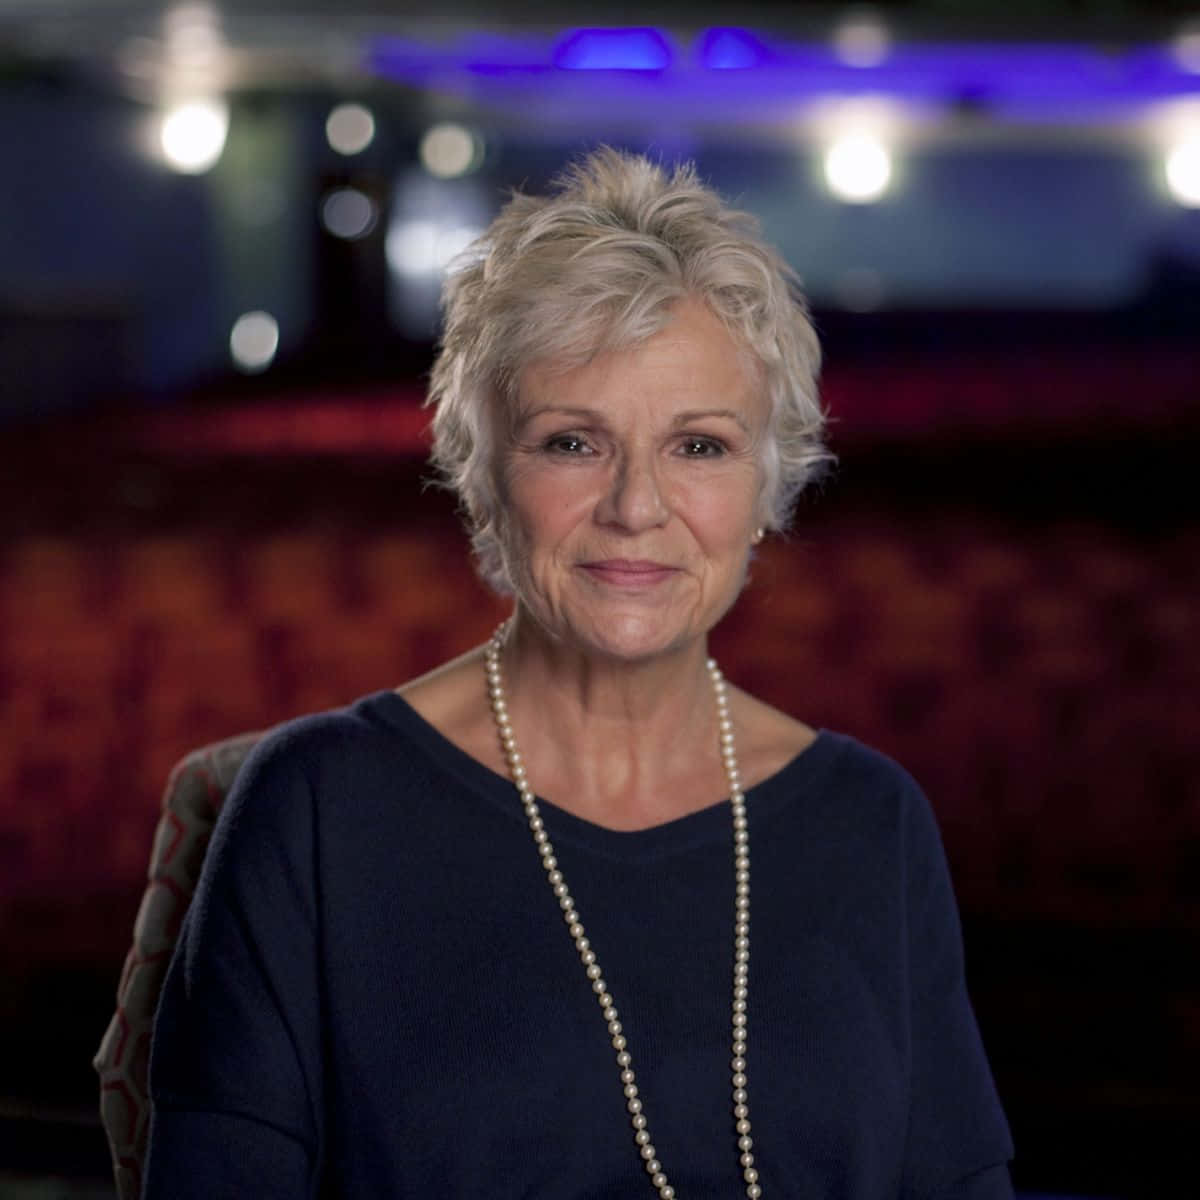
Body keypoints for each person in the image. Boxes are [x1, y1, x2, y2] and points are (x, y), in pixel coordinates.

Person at [145, 147, 1013, 1198]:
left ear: (770, 481)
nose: (637, 508)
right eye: (572, 442)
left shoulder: (872, 823)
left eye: (699, 447)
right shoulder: (319, 809)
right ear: (484, 471)